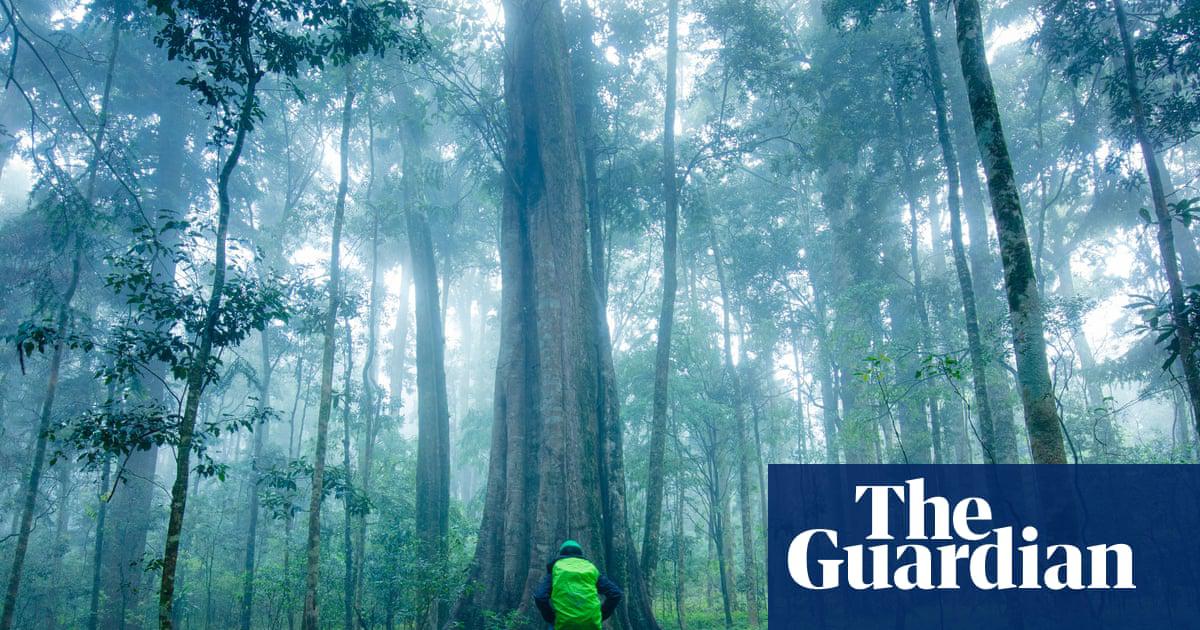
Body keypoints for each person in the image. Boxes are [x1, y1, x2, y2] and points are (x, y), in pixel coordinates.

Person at [533, 540, 623, 629]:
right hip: (591, 622)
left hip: (563, 624)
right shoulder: (591, 568)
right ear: (580, 554)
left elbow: (540, 597)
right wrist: (600, 615)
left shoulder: (556, 568)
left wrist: (551, 618)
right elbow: (615, 593)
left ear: (561, 554)